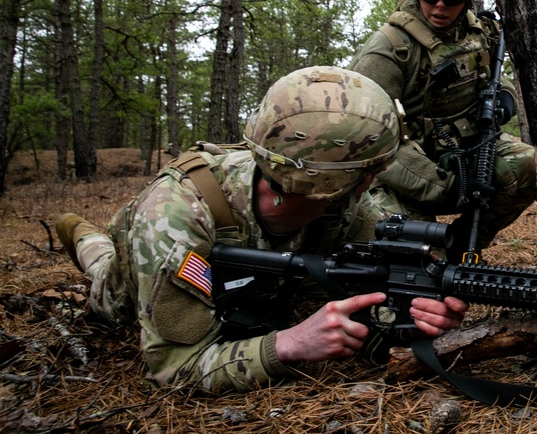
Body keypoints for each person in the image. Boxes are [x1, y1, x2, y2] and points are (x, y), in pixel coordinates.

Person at [55, 66, 467, 393]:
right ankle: (79, 232)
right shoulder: (177, 220)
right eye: (370, 172)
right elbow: (174, 369)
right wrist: (286, 345)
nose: (371, 183)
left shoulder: (343, 205)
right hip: (137, 269)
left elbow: (380, 290)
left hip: (255, 285)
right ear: (335, 184)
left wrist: (415, 310)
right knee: (102, 270)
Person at [348, 0, 536, 257]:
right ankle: (435, 253)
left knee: (530, 167)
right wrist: (449, 186)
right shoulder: (389, 50)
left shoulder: (477, 31)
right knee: (420, 265)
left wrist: (505, 100)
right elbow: (368, 141)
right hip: (397, 173)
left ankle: (463, 244)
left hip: (463, 152)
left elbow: (491, 78)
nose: (438, 5)